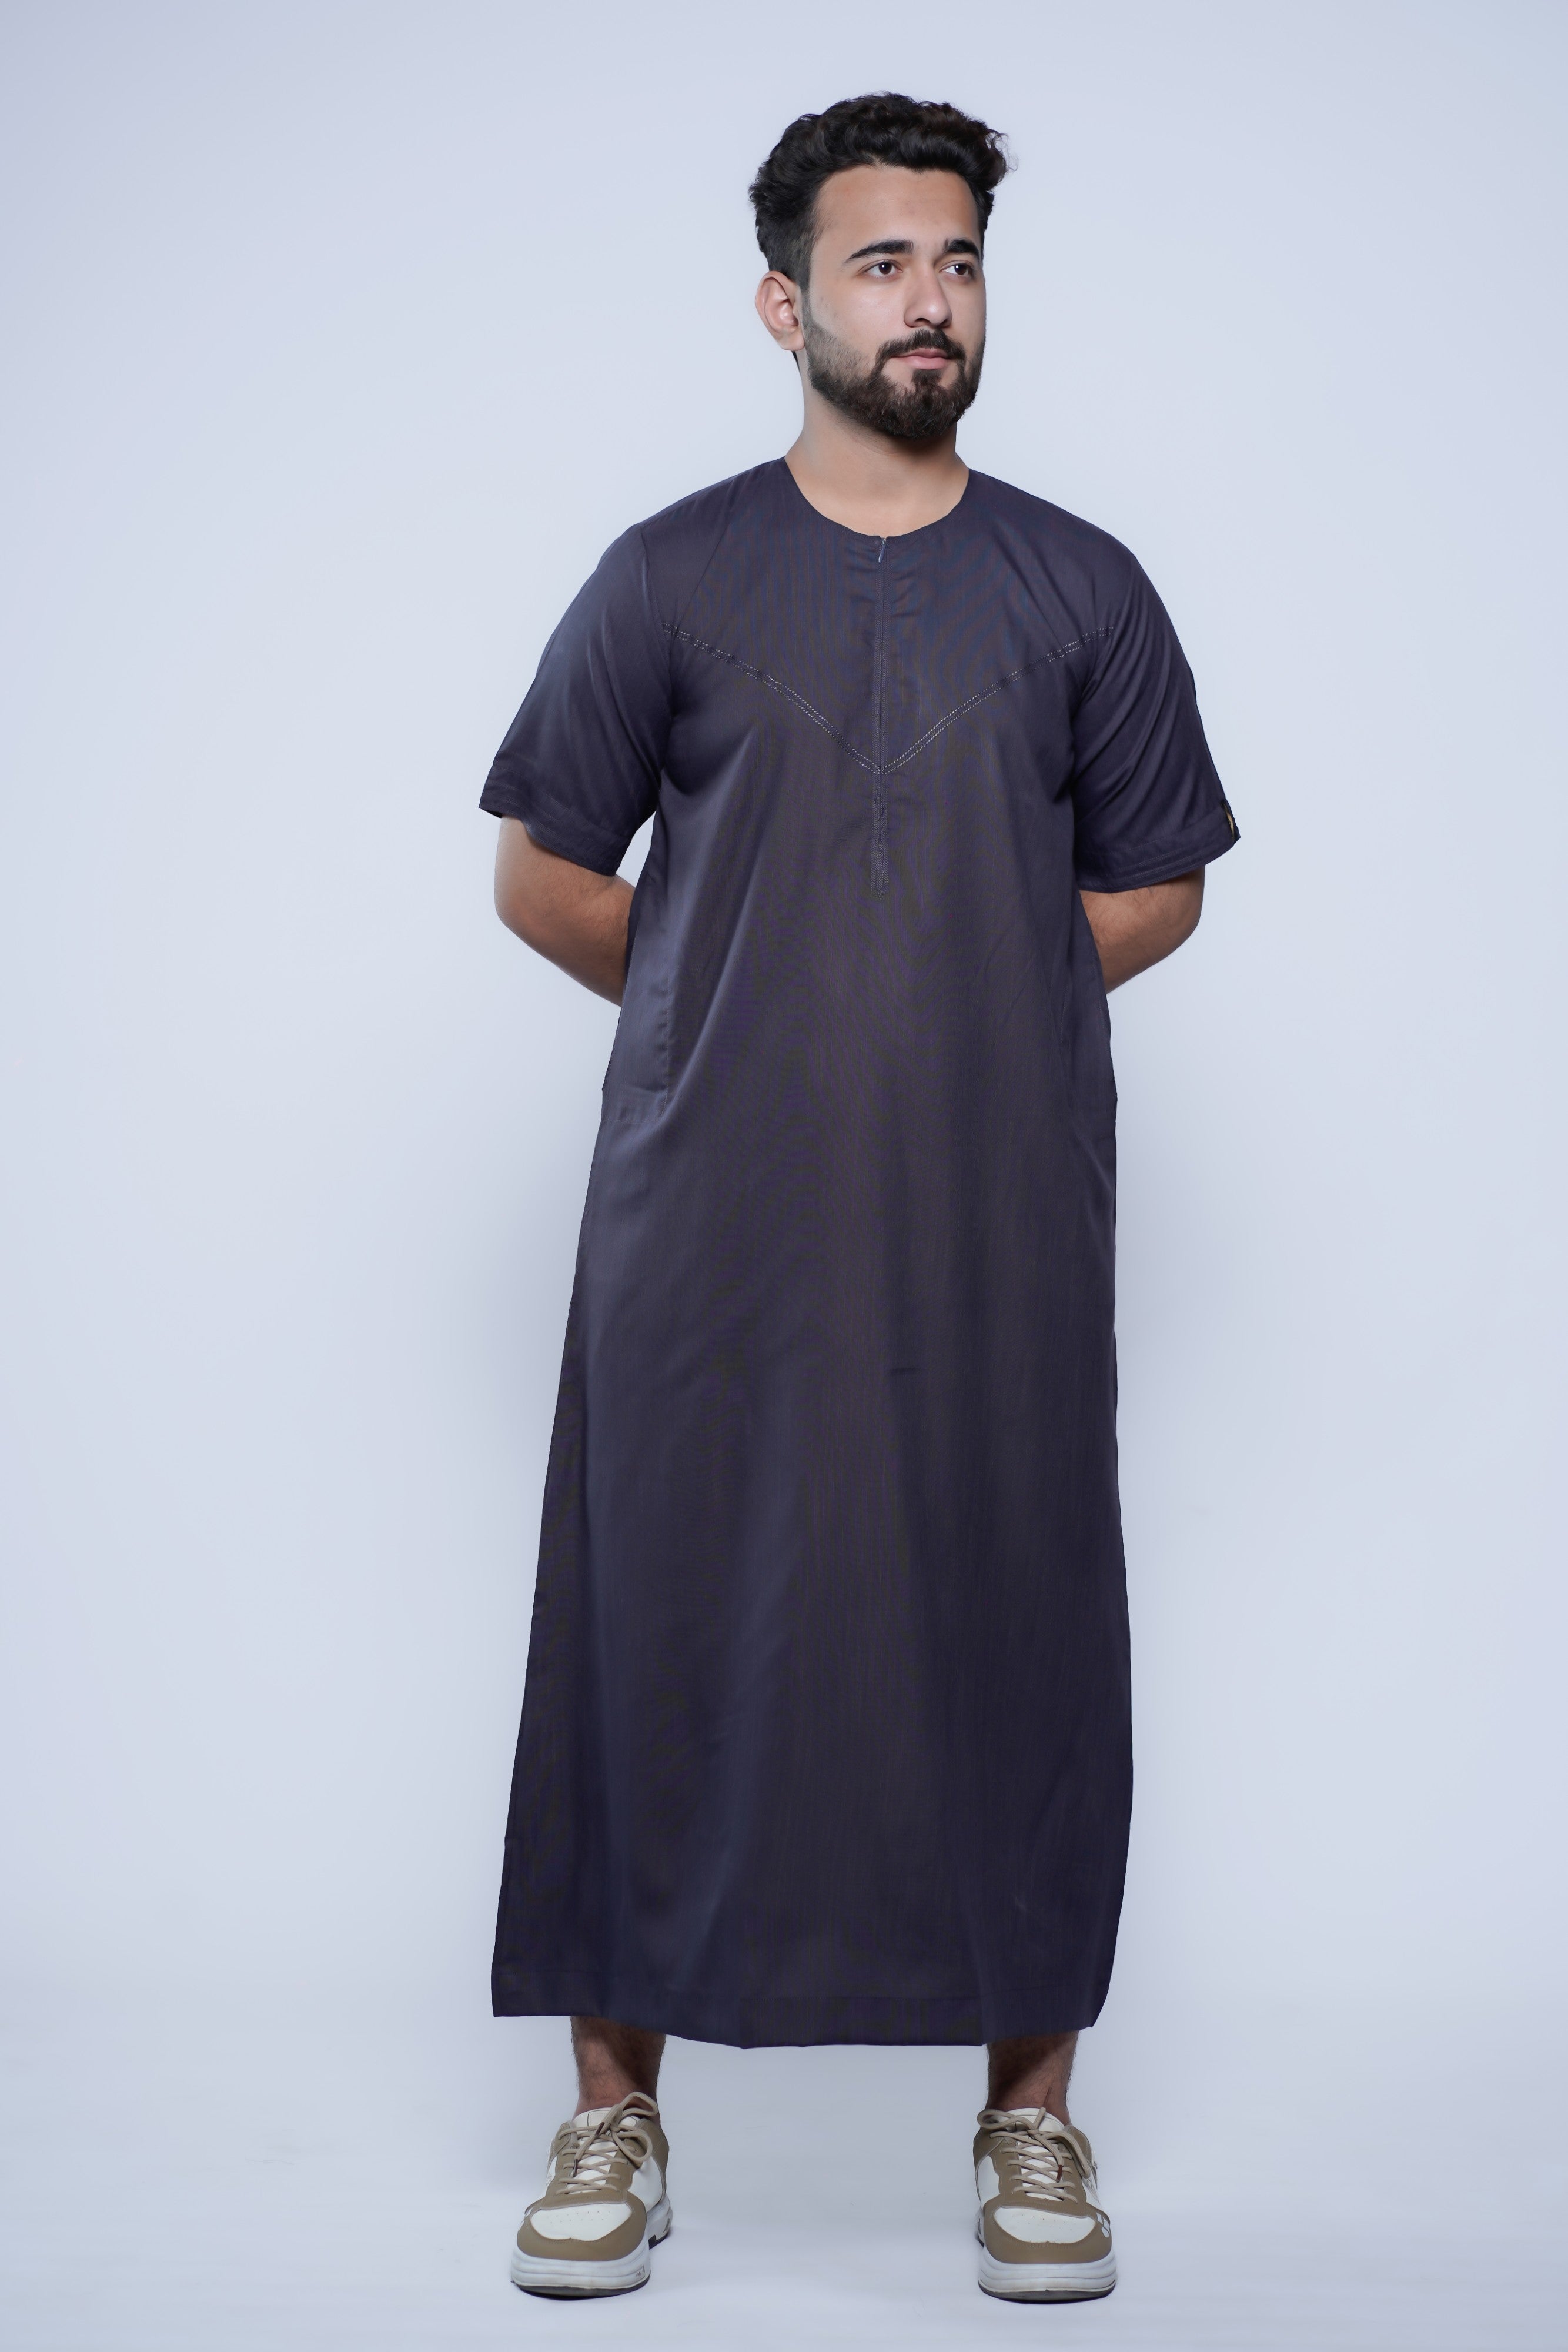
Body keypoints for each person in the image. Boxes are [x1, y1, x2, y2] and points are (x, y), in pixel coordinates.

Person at [480, 92, 1237, 2304]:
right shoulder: (669, 574)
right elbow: (542, 871)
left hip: (998, 1213)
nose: (928, 302)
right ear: (783, 302)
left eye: (958, 262)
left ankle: (1030, 2124)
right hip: (704, 1214)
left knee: (1014, 1597)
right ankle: (614, 2120)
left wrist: (973, 987)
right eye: (883, 263)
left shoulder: (1081, 586)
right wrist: (737, 999)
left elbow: (1155, 881)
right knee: (655, 1599)